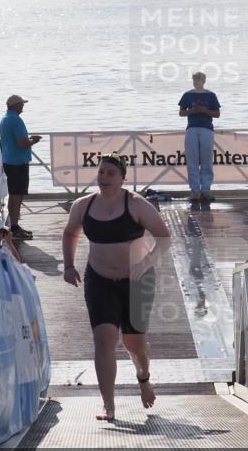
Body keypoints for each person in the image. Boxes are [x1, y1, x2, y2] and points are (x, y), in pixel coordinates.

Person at [62, 155, 172, 421]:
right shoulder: (83, 206)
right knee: (104, 340)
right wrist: (68, 265)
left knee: (134, 344)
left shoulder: (136, 204)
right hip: (99, 280)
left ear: (123, 178)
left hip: (137, 281)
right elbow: (70, 233)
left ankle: (143, 378)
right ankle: (108, 405)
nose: (104, 178)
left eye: (111, 173)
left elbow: (164, 237)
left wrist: (145, 264)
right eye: (101, 173)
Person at [0, 94, 42, 240]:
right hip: (17, 163)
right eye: (21, 104)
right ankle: (14, 227)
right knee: (17, 195)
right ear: (15, 105)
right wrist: (33, 141)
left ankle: (14, 226)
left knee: (14, 194)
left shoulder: (4, 119)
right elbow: (22, 143)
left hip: (9, 161)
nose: (23, 106)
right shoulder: (15, 120)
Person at [178, 71, 221, 201]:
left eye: (199, 80)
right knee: (192, 160)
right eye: (195, 80)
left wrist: (204, 111)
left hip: (206, 129)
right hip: (192, 128)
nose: (197, 82)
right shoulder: (187, 95)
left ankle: (206, 190)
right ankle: (195, 190)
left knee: (206, 160)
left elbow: (217, 113)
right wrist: (192, 111)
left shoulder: (211, 95)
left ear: (204, 81)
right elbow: (181, 112)